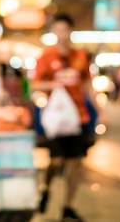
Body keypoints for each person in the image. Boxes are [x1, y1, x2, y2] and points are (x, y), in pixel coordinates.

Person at [31, 13, 106, 222]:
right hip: (56, 118)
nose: (62, 34)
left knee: (75, 163)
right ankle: (46, 188)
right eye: (58, 30)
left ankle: (67, 206)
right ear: (54, 32)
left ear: (71, 31)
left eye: (66, 30)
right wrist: (52, 85)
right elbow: (34, 84)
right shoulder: (46, 57)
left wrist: (101, 112)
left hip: (78, 117)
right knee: (56, 160)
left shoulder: (80, 57)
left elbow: (88, 86)